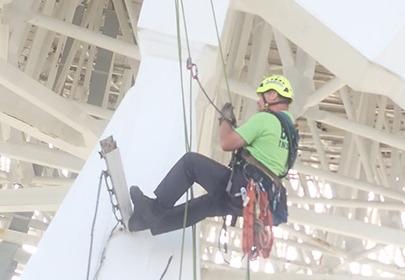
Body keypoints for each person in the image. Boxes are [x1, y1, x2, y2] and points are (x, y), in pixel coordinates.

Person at [128, 75, 298, 235]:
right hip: (257, 202)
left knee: (191, 163)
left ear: (273, 95)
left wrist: (224, 121)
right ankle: (146, 223)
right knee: (205, 205)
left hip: (244, 188)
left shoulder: (266, 119)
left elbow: (227, 143)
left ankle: (155, 211)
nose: (258, 102)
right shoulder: (292, 135)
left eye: (262, 97)